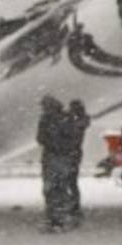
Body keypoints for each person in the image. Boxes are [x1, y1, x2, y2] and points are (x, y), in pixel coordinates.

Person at [36, 95, 70, 231]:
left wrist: (51, 144)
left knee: (50, 189)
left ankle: (53, 219)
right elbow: (73, 137)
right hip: (65, 158)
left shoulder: (45, 120)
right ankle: (60, 219)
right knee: (61, 188)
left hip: (51, 157)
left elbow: (40, 138)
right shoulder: (67, 118)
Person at [62, 99, 89, 227]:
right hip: (73, 152)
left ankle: (73, 206)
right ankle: (73, 206)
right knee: (71, 181)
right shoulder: (80, 120)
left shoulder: (78, 122)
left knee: (70, 181)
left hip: (72, 152)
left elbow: (73, 131)